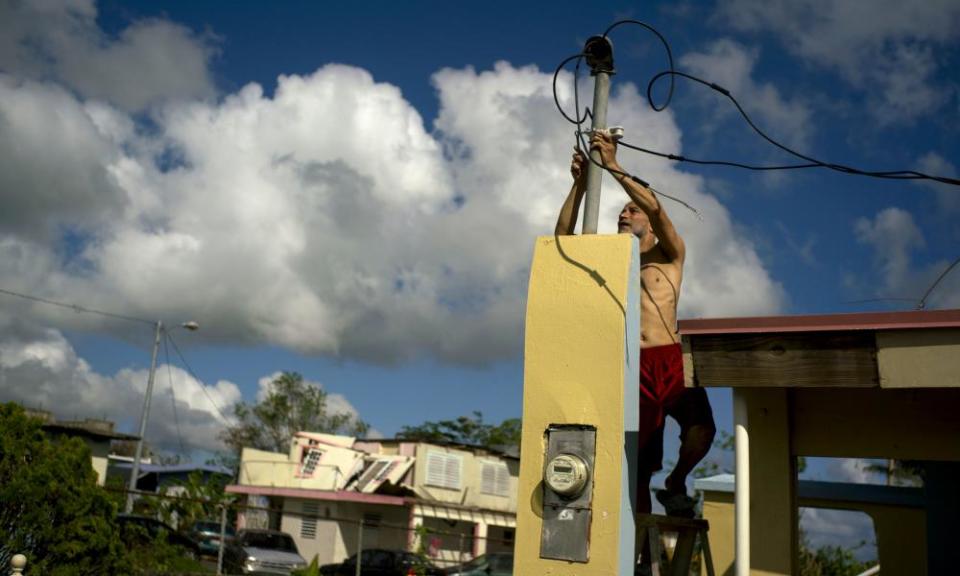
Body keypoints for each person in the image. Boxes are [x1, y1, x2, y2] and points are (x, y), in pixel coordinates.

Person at [555, 131, 716, 523]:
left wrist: (613, 166)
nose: (624, 214)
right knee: (639, 465)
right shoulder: (612, 261)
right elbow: (563, 238)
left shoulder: (669, 254)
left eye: (632, 210)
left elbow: (658, 209)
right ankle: (639, 556)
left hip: (670, 360)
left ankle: (677, 482)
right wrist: (579, 185)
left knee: (702, 429)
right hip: (633, 367)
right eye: (621, 211)